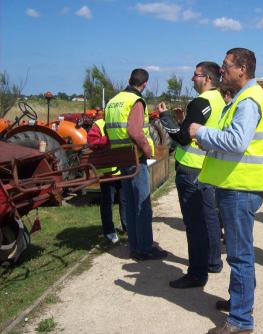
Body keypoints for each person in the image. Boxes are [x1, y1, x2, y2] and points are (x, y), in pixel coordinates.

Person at [189, 48, 263, 334]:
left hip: (241, 186)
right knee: (241, 252)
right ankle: (240, 302)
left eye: (226, 66)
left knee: (239, 254)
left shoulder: (248, 100)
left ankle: (240, 320)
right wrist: (212, 142)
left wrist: (200, 132)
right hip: (238, 184)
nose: (222, 71)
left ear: (243, 69)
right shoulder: (243, 98)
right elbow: (232, 140)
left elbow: (237, 142)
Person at [158, 62, 225, 288]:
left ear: (206, 78)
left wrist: (165, 118)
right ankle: (213, 262)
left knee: (195, 224)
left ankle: (197, 273)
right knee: (210, 217)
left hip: (190, 168)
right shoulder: (220, 101)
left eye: (195, 75)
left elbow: (184, 138)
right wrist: (182, 121)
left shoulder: (200, 101)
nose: (192, 79)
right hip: (209, 167)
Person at [105, 68, 168, 261]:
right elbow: (135, 131)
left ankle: (134, 246)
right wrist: (147, 151)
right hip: (135, 158)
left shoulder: (113, 101)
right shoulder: (136, 101)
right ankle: (146, 248)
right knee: (142, 203)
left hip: (120, 157)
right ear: (145, 83)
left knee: (130, 204)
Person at [87, 116, 127, 244]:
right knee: (107, 203)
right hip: (107, 172)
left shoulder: (121, 122)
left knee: (124, 200)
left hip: (122, 170)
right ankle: (109, 231)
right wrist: (108, 140)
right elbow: (92, 142)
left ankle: (127, 227)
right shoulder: (98, 125)